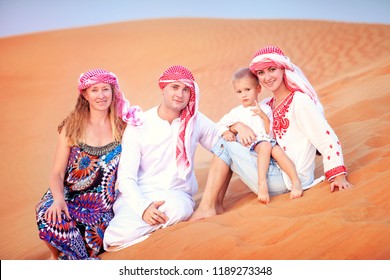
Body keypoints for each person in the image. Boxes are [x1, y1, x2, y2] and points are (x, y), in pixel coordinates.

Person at [190, 45, 353, 220]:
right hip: (272, 170)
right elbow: (237, 126)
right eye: (261, 73)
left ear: (283, 69)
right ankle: (216, 206)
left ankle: (208, 207)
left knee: (224, 144)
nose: (267, 77)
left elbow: (326, 138)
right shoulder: (268, 104)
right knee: (227, 140)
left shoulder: (299, 101)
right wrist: (237, 125)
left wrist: (338, 176)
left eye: (272, 69)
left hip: (289, 179)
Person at [103, 65, 219, 251]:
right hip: (140, 195)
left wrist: (236, 125)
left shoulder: (196, 121)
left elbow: (223, 144)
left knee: (181, 209)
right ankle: (152, 233)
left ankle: (154, 238)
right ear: (163, 88)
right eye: (174, 87)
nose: (179, 94)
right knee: (114, 237)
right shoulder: (139, 124)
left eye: (185, 89)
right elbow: (126, 177)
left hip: (175, 196)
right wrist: (143, 208)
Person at [35, 68, 143, 260]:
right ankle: (55, 257)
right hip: (67, 198)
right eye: (94, 90)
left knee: (91, 243)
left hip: (101, 209)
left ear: (113, 92)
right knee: (48, 214)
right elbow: (57, 173)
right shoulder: (71, 127)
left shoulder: (124, 127)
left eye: (105, 89)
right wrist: (59, 199)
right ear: (85, 94)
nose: (101, 96)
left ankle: (63, 260)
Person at [217, 67, 302, 204]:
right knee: (265, 146)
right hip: (252, 146)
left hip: (267, 142)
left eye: (247, 90)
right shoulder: (236, 113)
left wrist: (264, 117)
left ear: (258, 89)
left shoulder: (266, 108)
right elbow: (219, 125)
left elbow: (270, 132)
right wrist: (226, 131)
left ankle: (295, 181)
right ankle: (262, 182)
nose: (243, 95)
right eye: (239, 92)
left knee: (277, 150)